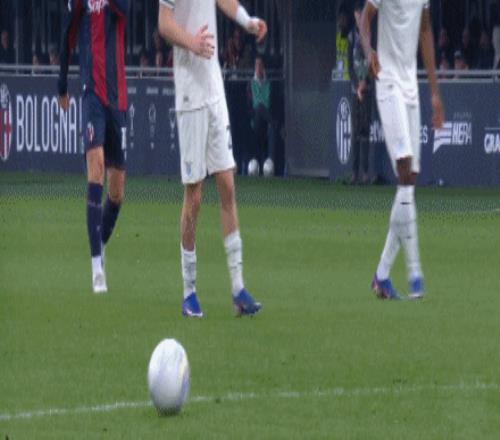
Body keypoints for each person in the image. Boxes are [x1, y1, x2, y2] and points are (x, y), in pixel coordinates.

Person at [157, 0, 267, 317]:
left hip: (213, 88)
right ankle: (189, 292)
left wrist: (247, 21)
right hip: (190, 93)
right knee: (194, 195)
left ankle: (238, 289)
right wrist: (192, 42)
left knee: (228, 185)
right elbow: (164, 23)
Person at [360, 0, 444, 300]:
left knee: (410, 181)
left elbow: (425, 32)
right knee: (404, 166)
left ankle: (382, 274)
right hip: (388, 81)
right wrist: (369, 51)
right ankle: (414, 272)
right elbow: (365, 19)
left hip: (410, 86)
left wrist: (434, 93)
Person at [58, 0, 130, 294]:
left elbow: (125, 10)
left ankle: (98, 242)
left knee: (117, 192)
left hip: (118, 99)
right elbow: (68, 36)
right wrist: (62, 84)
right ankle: (96, 267)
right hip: (92, 96)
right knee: (96, 166)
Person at [348, 1, 373, 185]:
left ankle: (365, 172)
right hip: (355, 89)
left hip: (368, 88)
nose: (359, 19)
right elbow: (349, 65)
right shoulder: (351, 37)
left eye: (361, 16)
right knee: (355, 131)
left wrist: (366, 82)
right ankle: (354, 172)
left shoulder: (371, 36)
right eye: (357, 16)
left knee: (365, 131)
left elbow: (374, 62)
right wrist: (357, 85)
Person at [249, 55, 273, 171]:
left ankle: (268, 162)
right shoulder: (250, 84)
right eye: (256, 65)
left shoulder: (269, 84)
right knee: (258, 108)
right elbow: (249, 106)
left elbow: (271, 103)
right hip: (256, 120)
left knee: (261, 108)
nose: (258, 68)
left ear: (263, 67)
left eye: (260, 65)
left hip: (267, 119)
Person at [335, 6, 350, 80]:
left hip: (349, 76)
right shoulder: (337, 36)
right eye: (340, 18)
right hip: (339, 75)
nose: (341, 21)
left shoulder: (351, 36)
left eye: (344, 18)